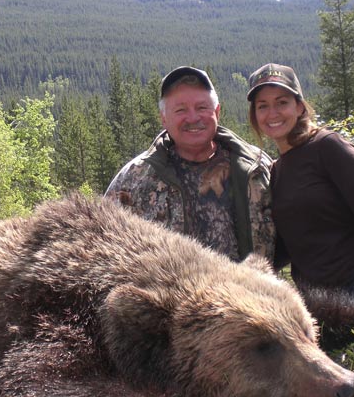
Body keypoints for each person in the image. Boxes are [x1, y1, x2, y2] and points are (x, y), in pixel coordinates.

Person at [246, 62, 354, 307]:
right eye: (263, 106)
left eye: (282, 102)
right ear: (255, 115)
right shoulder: (276, 171)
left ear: (300, 106)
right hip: (319, 301)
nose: (273, 113)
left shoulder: (328, 147)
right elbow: (292, 244)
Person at [105, 66, 274, 262]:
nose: (193, 118)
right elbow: (104, 245)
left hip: (246, 291)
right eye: (180, 110)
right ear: (164, 119)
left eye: (202, 108)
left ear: (217, 113)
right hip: (165, 292)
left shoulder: (256, 168)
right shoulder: (134, 178)